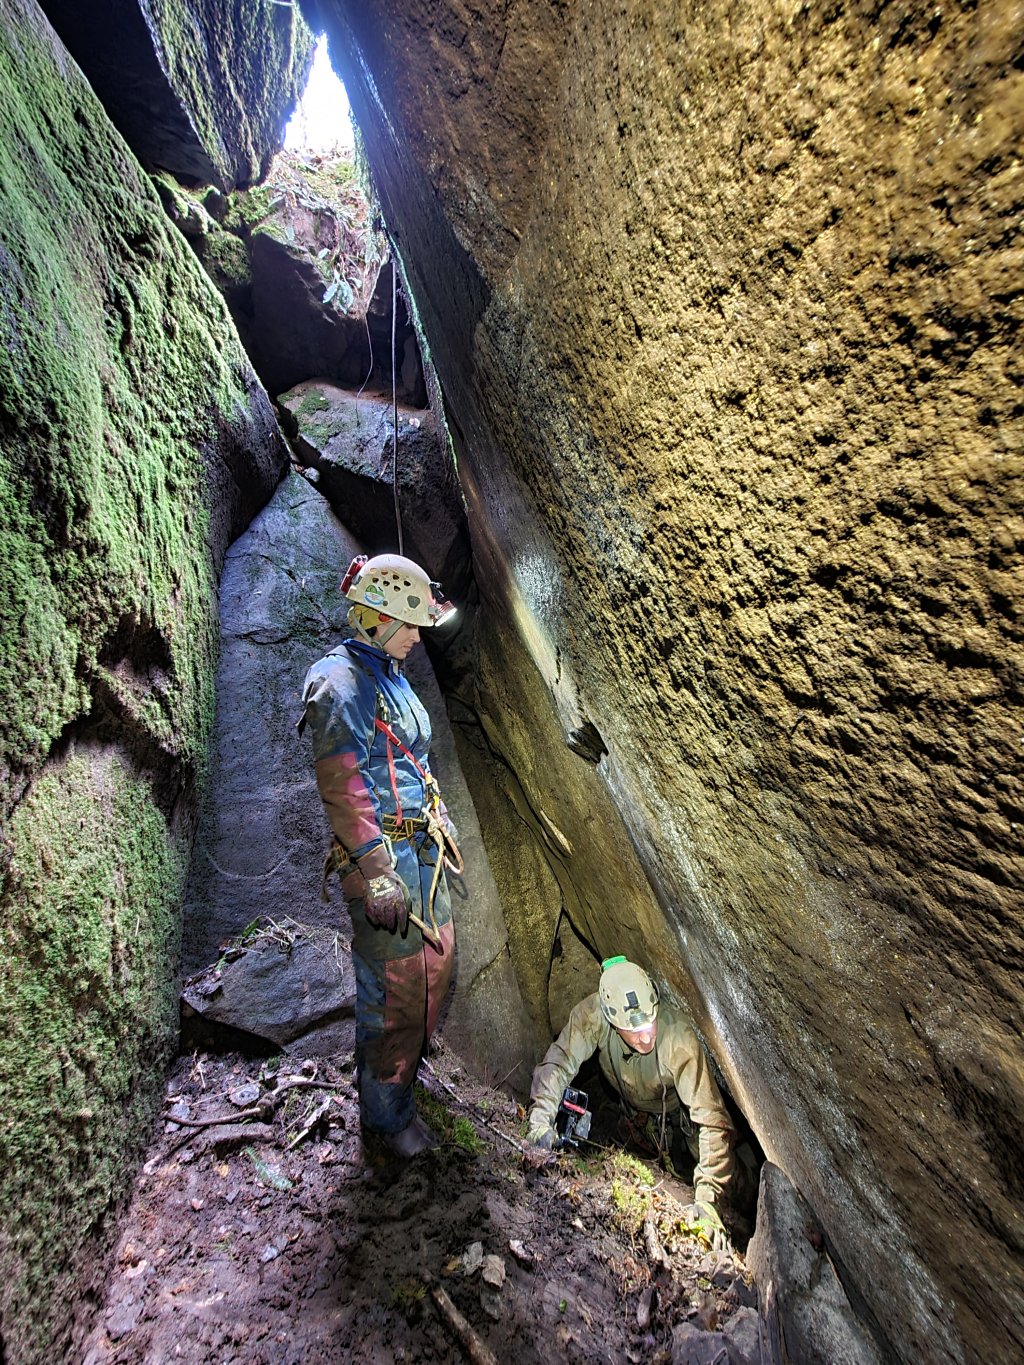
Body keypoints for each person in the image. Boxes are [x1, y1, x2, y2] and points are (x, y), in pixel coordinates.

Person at [301, 552, 460, 1157]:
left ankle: (403, 1073)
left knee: (438, 961)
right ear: (376, 618)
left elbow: (413, 759)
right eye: (411, 623)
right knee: (394, 987)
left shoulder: (391, 674)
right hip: (383, 859)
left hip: (422, 846)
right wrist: (375, 872)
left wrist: (438, 811)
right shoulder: (339, 681)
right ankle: (386, 1117)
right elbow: (343, 785)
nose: (419, 637)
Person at [526, 957, 737, 1249]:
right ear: (612, 1021)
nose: (646, 1036)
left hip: (683, 1125)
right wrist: (540, 1121)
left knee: (732, 1185)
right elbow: (559, 1063)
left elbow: (713, 1121)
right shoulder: (595, 1014)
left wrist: (708, 1200)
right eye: (634, 1031)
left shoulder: (678, 1039)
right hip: (639, 1124)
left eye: (650, 1022)